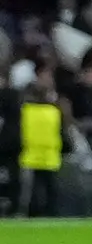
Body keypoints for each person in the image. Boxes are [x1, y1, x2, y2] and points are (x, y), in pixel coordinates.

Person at [17, 74, 68, 215]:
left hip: (31, 156)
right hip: (50, 156)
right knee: (51, 190)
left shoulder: (25, 111)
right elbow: (62, 132)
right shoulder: (54, 112)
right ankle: (52, 214)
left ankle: (30, 214)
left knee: (31, 190)